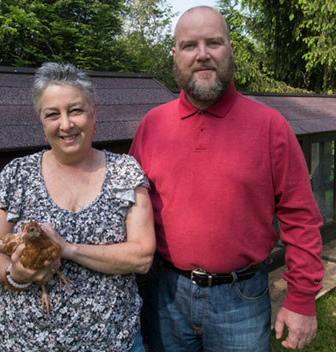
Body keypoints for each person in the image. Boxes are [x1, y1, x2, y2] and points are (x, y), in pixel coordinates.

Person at [129, 6, 324, 351]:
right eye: (190, 46)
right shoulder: (152, 126)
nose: (202, 55)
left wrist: (302, 299)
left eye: (213, 43)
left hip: (242, 299)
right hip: (166, 294)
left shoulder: (270, 126)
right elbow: (126, 208)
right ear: (175, 55)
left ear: (230, 49)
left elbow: (301, 218)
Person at [0, 62, 155, 352]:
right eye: (52, 114)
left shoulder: (125, 171)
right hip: (14, 343)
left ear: (93, 112)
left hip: (111, 343)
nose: (66, 124)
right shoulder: (16, 174)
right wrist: (15, 274)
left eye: (75, 110)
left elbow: (142, 256)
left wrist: (68, 248)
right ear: (42, 122)